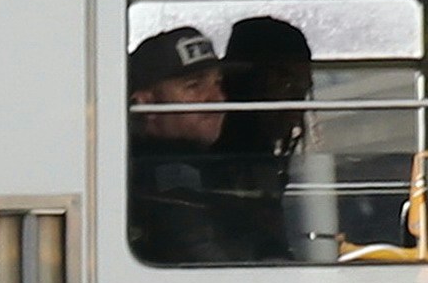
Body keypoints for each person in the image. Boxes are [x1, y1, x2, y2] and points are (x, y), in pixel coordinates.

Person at [197, 15, 317, 263]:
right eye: (285, 84)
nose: (295, 105)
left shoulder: (263, 158)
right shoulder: (218, 159)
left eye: (302, 89)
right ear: (245, 83)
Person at [121, 22, 224, 264]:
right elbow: (198, 252)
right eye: (193, 86)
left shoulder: (209, 164)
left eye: (218, 83)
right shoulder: (165, 173)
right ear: (144, 103)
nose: (216, 99)